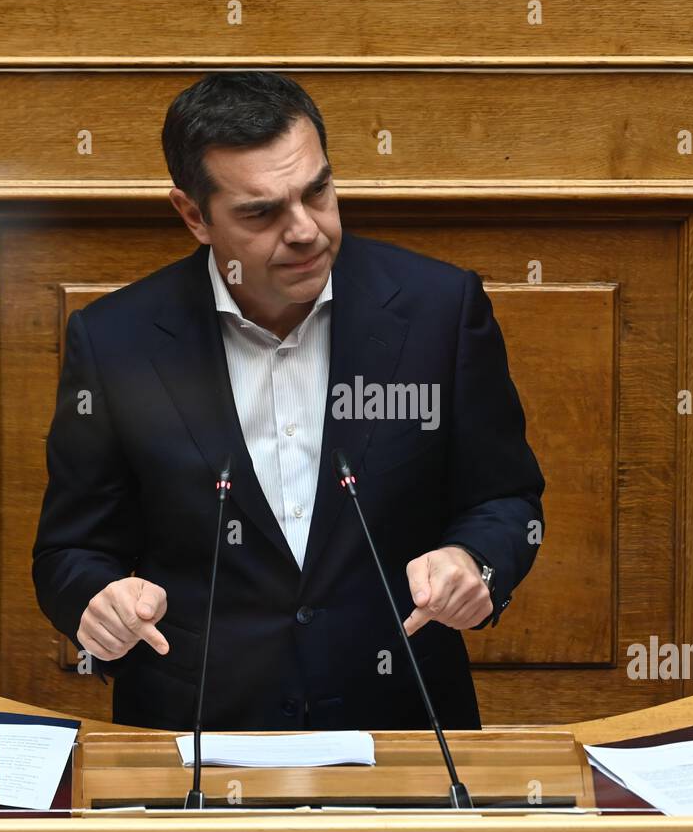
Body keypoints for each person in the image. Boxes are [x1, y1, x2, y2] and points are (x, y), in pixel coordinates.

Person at [32, 71, 544, 730]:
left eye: (317, 192)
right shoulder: (115, 341)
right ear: (194, 216)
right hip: (198, 739)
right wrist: (96, 602)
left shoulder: (440, 311)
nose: (305, 230)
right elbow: (69, 551)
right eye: (262, 212)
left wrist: (474, 561)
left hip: (401, 727)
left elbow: (503, 499)